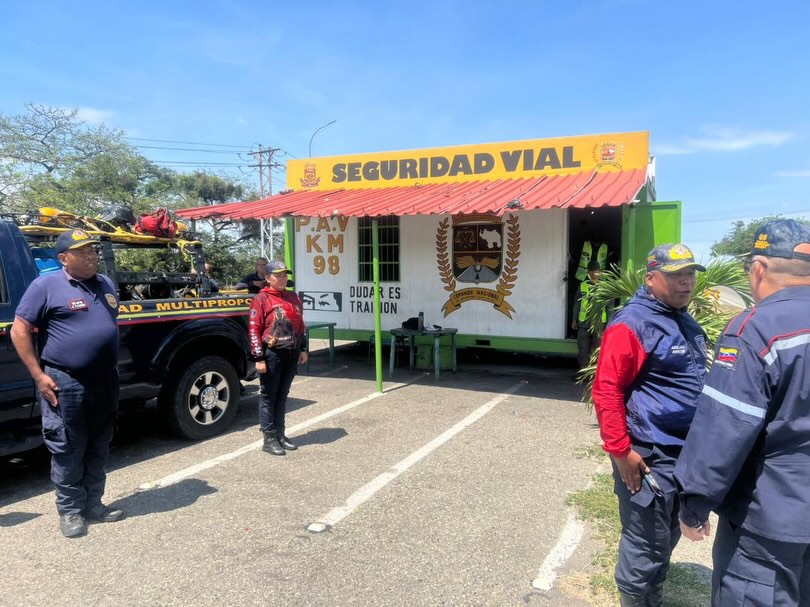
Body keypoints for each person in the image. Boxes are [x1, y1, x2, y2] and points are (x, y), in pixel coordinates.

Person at [675, 219, 810, 606]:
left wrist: (694, 503)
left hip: (768, 522)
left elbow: (725, 428)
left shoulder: (757, 328)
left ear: (759, 268)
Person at [592, 243, 707, 607]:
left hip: (682, 453)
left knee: (666, 535)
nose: (686, 282)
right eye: (675, 275)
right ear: (651, 278)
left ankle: (651, 597)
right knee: (645, 543)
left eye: (690, 274)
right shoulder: (632, 323)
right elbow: (607, 389)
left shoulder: (682, 318)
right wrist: (620, 451)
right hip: (650, 455)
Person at [10, 228, 123, 538]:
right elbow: (19, 330)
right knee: (68, 446)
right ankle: (70, 510)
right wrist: (38, 374)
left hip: (104, 380)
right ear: (63, 258)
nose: (91, 255)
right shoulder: (45, 285)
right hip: (65, 381)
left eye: (93, 250)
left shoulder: (105, 283)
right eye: (83, 251)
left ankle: (93, 504)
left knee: (100, 442)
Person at [247, 260, 308, 456]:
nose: (282, 279)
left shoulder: (293, 297)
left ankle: (281, 435)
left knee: (282, 395)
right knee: (268, 396)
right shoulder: (261, 299)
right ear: (267, 278)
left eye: (284, 275)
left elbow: (300, 325)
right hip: (271, 354)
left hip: (291, 353)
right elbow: (254, 330)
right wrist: (258, 357)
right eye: (278, 275)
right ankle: (269, 438)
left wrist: (304, 348)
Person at [571, 259, 608, 369]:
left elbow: (609, 307)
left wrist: (609, 322)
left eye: (596, 271)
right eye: (591, 271)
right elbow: (577, 304)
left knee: (597, 349)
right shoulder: (583, 285)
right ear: (588, 272)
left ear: (599, 272)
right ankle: (583, 372)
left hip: (598, 323)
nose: (594, 273)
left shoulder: (605, 286)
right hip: (583, 323)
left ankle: (595, 374)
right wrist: (574, 319)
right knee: (583, 349)